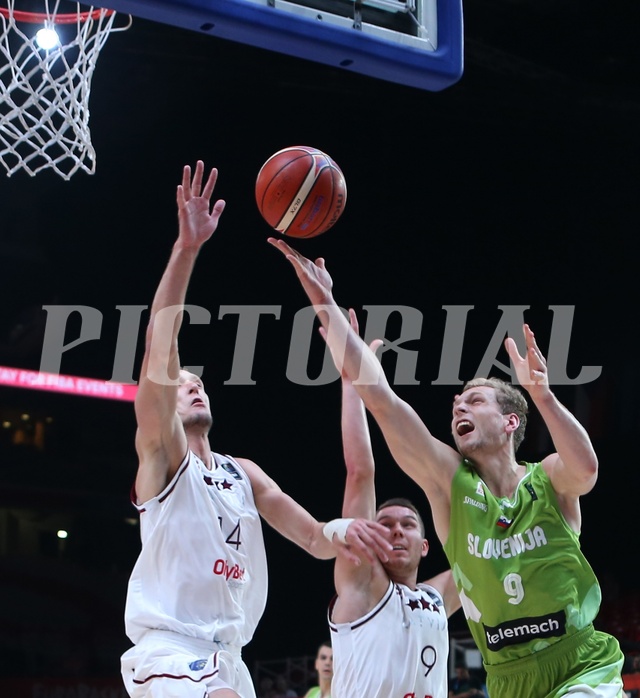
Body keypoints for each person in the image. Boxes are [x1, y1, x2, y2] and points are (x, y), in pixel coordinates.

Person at [268, 237, 625, 698]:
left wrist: (544, 395)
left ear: (510, 421)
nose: (459, 405)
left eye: (474, 400)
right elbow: (382, 399)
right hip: (507, 677)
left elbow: (587, 470)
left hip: (578, 662)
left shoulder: (549, 478)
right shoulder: (449, 480)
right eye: (456, 402)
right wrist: (325, 302)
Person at [119, 161, 393, 698]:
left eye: (199, 382)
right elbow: (160, 346)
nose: (192, 387)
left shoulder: (243, 473)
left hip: (228, 658)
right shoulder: (162, 460)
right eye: (180, 383)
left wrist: (344, 531)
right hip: (170, 649)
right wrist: (188, 247)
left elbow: (314, 539)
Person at [326, 310, 460, 698]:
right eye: (384, 523)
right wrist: (352, 382)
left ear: (425, 545)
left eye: (408, 525)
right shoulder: (361, 581)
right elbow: (360, 471)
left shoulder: (437, 596)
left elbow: (482, 545)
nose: (396, 529)